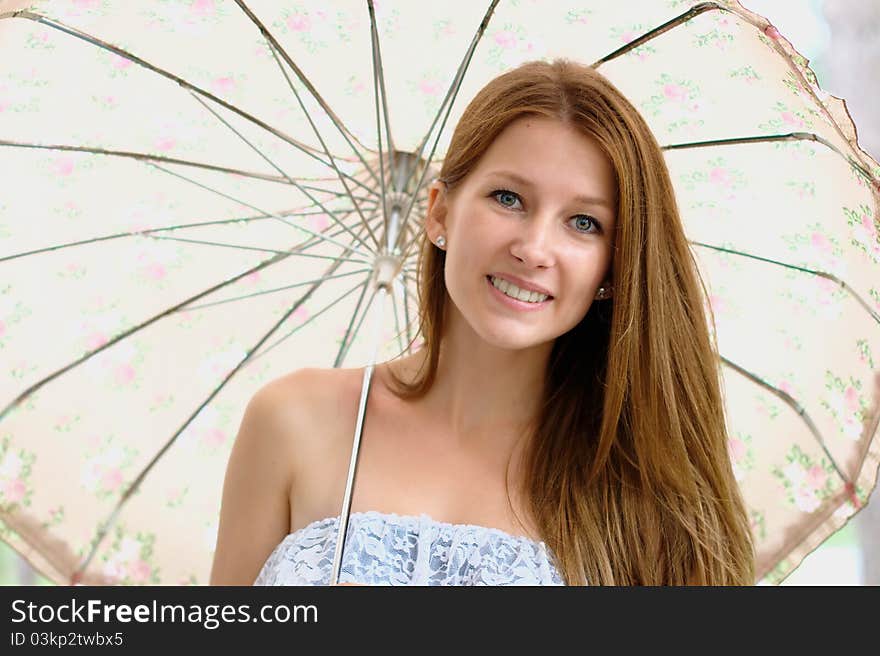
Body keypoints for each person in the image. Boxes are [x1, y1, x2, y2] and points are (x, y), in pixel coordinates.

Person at [209, 58, 756, 586]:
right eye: (509, 198)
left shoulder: (648, 495)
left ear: (614, 265)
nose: (534, 248)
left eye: (584, 222)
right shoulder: (293, 421)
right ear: (440, 211)